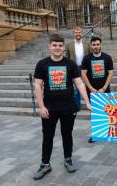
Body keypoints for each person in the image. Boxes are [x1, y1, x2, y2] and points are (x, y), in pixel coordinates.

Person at [33, 34, 91, 180]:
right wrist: (41, 107)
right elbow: (38, 86)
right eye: (54, 45)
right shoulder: (42, 64)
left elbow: (79, 83)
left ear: (64, 47)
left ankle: (68, 159)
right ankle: (45, 164)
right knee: (47, 136)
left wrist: (87, 102)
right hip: (49, 108)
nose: (57, 48)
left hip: (68, 107)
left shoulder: (70, 64)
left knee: (67, 134)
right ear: (50, 46)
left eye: (60, 45)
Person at [81, 36, 114, 143]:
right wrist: (91, 88)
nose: (96, 46)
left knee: (107, 110)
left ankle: (108, 132)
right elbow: (83, 74)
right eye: (94, 44)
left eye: (97, 44)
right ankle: (96, 134)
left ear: (101, 45)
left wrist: (104, 88)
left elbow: (110, 73)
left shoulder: (107, 57)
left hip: (104, 89)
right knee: (94, 112)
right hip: (92, 90)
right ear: (91, 46)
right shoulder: (86, 58)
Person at [66, 26, 91, 110]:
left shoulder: (87, 44)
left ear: (82, 33)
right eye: (76, 32)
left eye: (79, 32)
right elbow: (67, 58)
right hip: (74, 68)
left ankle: (90, 104)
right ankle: (77, 106)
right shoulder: (69, 45)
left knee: (87, 86)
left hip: (85, 68)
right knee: (76, 88)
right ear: (74, 34)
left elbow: (90, 56)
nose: (78, 34)